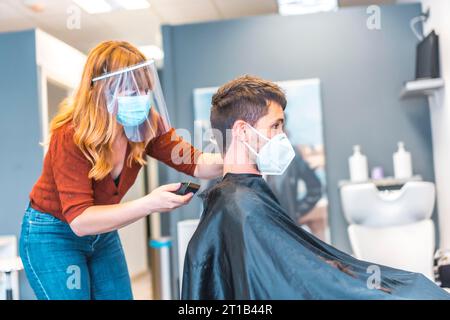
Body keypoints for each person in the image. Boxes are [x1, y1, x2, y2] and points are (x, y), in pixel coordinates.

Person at [181, 75, 450, 299]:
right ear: (241, 131)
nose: (282, 136)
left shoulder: (236, 201)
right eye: (275, 126)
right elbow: (297, 284)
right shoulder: (243, 207)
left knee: (412, 285)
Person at [19, 41, 222, 300]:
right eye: (130, 92)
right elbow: (80, 221)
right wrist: (150, 204)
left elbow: (197, 162)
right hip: (54, 235)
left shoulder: (148, 124)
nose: (140, 100)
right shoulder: (70, 136)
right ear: (101, 90)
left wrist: (242, 155)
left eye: (144, 90)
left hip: (102, 234)